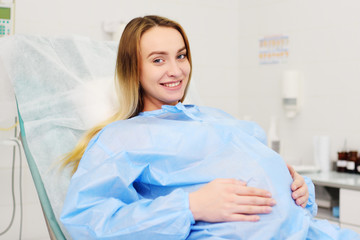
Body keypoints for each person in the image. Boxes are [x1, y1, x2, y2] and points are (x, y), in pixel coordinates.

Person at [60, 15, 359, 239]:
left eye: (181, 55)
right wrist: (190, 206)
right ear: (133, 69)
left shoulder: (214, 118)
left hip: (308, 231)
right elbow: (86, 220)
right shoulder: (121, 138)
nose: (176, 70)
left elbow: (263, 168)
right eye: (158, 60)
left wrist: (298, 188)